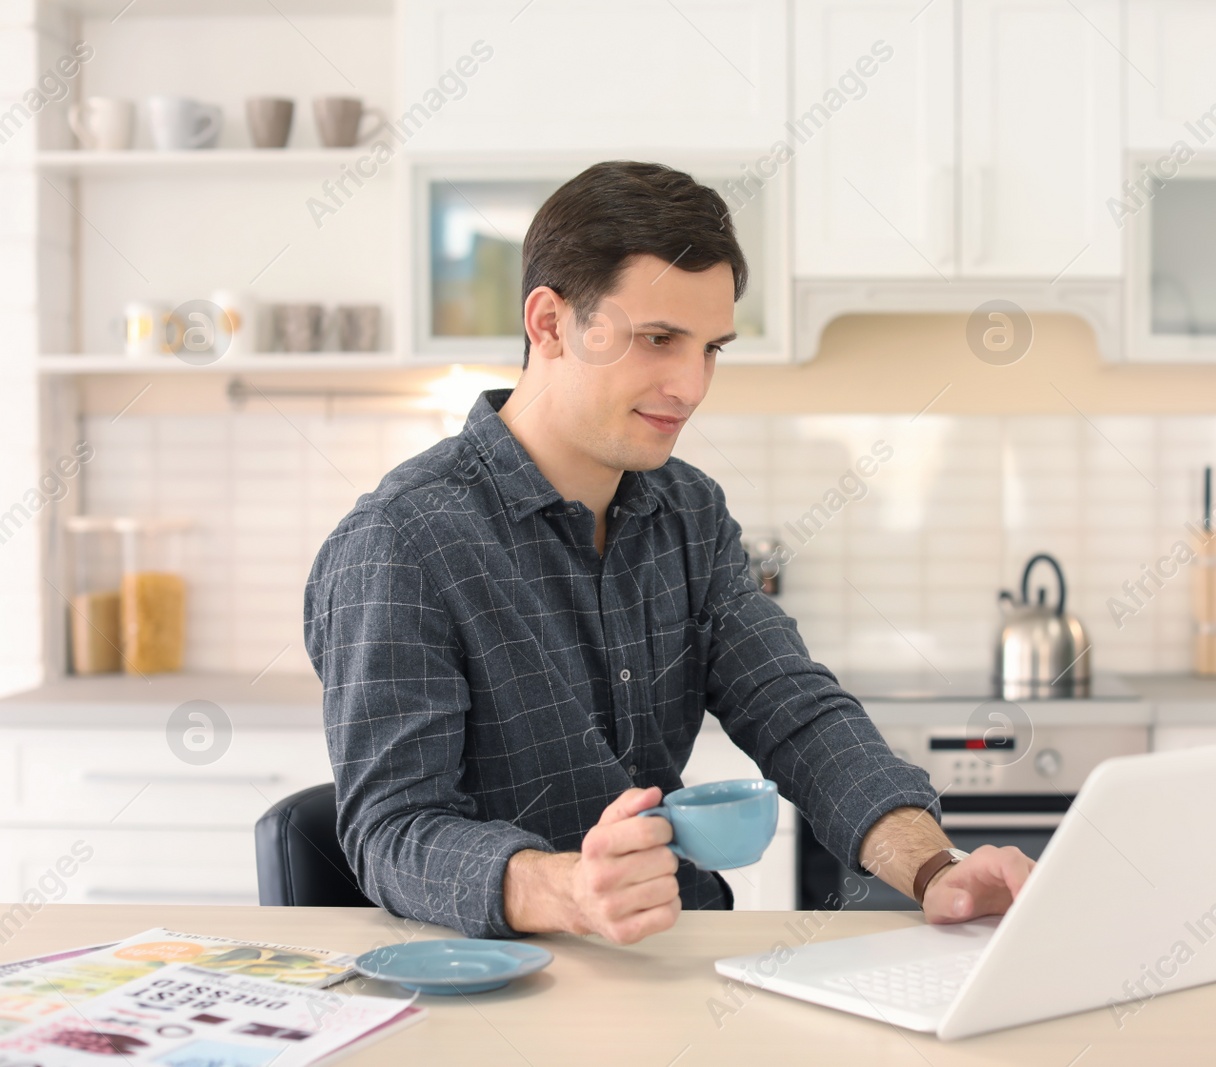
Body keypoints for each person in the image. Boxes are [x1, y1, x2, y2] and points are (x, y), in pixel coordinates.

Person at [303, 160, 1034, 943]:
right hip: (508, 990)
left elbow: (796, 712)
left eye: (711, 347)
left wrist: (933, 868)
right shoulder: (401, 542)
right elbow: (394, 831)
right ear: (550, 323)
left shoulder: (686, 511)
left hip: (675, 955)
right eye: (658, 340)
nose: (691, 385)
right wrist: (565, 890)